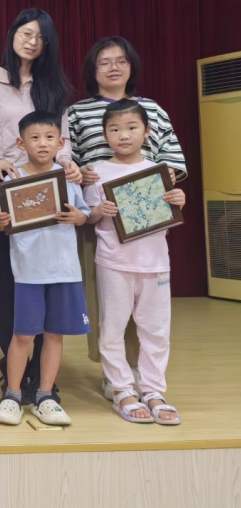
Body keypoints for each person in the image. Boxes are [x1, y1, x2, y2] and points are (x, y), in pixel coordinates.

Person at [0, 9, 81, 404]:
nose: (32, 41)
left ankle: (42, 377)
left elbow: (63, 139)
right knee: (9, 280)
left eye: (41, 37)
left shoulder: (53, 85)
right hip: (5, 187)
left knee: (44, 279)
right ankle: (13, 369)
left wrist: (67, 162)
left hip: (47, 187)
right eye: (26, 33)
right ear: (12, 34)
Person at [67, 36, 187, 399]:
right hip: (99, 214)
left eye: (121, 61)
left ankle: (141, 375)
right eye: (104, 62)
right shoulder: (77, 112)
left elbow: (173, 161)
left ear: (131, 66)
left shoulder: (152, 109)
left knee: (149, 311)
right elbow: (65, 158)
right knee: (105, 303)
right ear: (92, 70)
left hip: (146, 220)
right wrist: (80, 173)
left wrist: (163, 187)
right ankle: (114, 374)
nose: (113, 68)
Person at [84, 99, 185, 425]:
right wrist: (99, 211)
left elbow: (166, 215)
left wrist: (178, 200)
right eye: (114, 129)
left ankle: (154, 390)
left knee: (156, 331)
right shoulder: (97, 172)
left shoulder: (159, 172)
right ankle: (123, 390)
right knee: (112, 329)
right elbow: (89, 216)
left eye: (131, 128)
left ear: (147, 131)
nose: (123, 135)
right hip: (114, 262)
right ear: (105, 134)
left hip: (155, 263)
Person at [0, 111, 90, 427]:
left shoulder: (68, 178)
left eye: (49, 137)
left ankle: (45, 396)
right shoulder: (13, 180)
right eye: (34, 138)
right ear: (21, 143)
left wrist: (79, 217)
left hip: (64, 270)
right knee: (23, 335)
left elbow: (84, 214)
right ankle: (12, 395)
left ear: (60, 143)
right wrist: (2, 222)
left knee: (54, 335)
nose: (42, 144)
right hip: (28, 273)